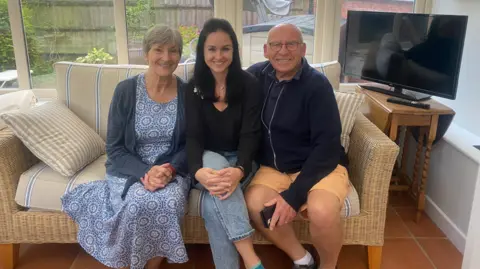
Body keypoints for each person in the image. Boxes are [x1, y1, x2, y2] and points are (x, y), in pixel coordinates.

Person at [61, 25, 191, 269]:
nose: (166, 57)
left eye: (173, 51)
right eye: (158, 50)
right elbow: (116, 148)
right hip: (131, 168)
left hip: (171, 170)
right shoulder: (126, 91)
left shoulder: (187, 93)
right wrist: (146, 172)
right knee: (140, 203)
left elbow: (190, 145)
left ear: (179, 56)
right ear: (146, 54)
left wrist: (170, 170)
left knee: (170, 202)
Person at [245, 23, 350, 269]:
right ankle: (303, 259)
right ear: (265, 50)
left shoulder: (317, 85)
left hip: (320, 165)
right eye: (276, 45)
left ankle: (328, 266)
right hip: (274, 168)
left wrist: (294, 196)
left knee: (321, 210)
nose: (283, 51)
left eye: (291, 44)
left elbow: (327, 145)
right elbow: (222, 87)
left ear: (303, 49)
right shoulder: (255, 76)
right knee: (254, 203)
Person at [185, 18, 264, 269]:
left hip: (242, 161)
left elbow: (251, 134)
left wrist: (240, 170)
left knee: (212, 203)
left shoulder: (250, 84)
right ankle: (252, 261)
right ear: (202, 51)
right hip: (206, 161)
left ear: (234, 50)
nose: (218, 56)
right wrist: (197, 170)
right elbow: (193, 137)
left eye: (225, 48)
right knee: (217, 170)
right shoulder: (192, 88)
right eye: (211, 49)